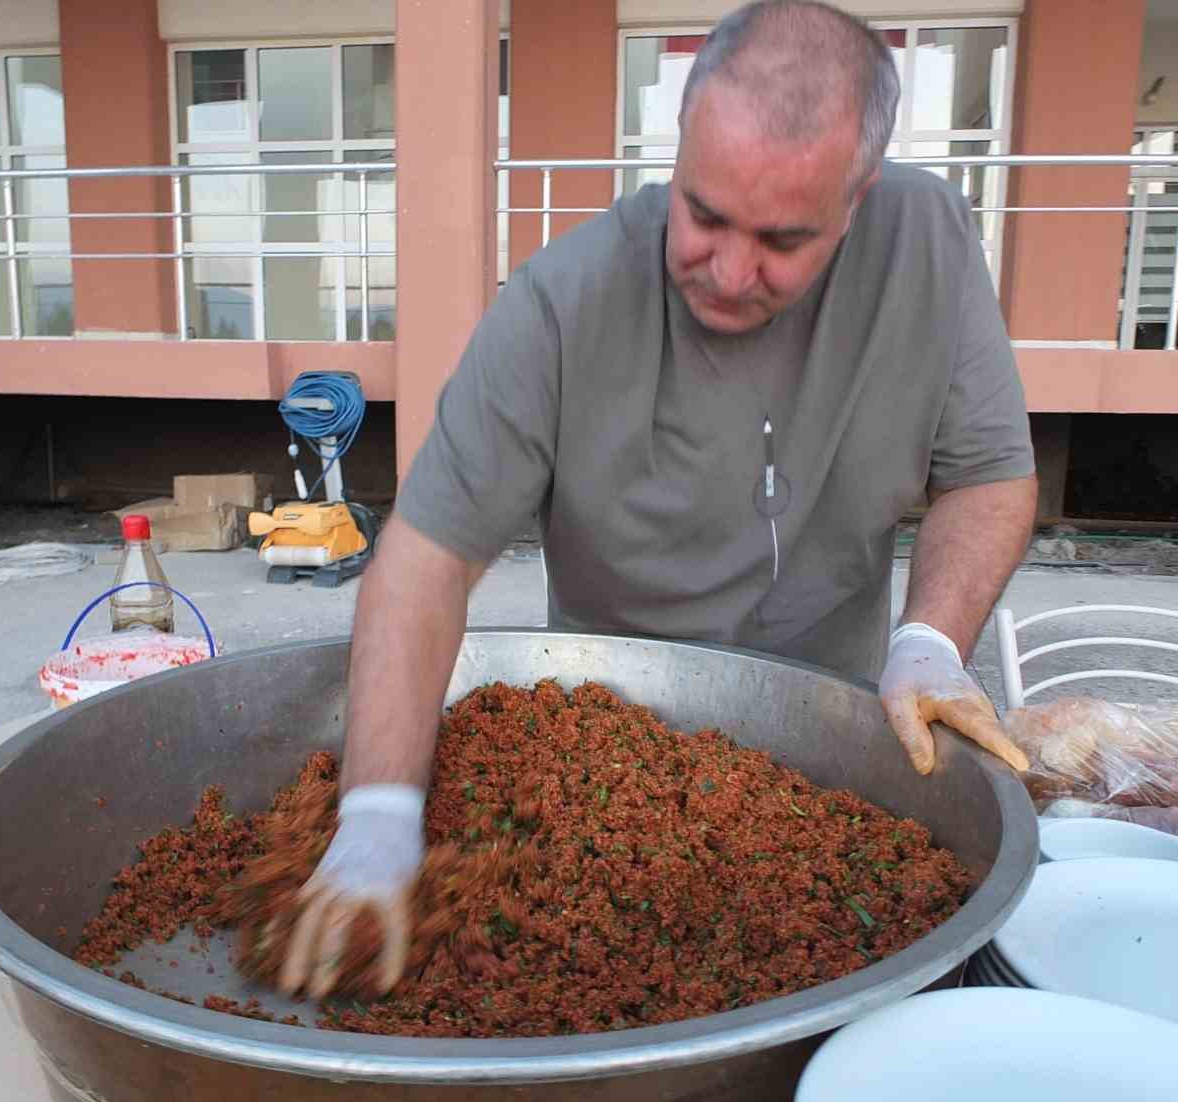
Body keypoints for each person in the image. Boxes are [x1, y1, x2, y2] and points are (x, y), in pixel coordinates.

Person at [279, 0, 1037, 999]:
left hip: (829, 758)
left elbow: (987, 474)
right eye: (704, 213)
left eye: (781, 240)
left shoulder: (925, 240)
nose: (727, 271)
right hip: (604, 766)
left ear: (855, 204)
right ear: (679, 146)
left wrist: (929, 641)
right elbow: (422, 561)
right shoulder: (557, 308)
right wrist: (377, 819)